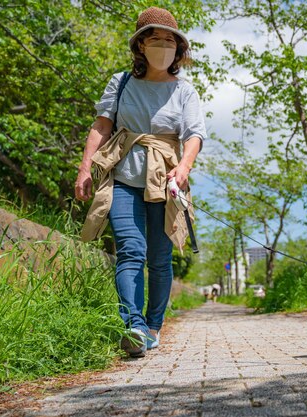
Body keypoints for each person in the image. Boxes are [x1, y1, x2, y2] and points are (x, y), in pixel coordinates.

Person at [74, 7, 207, 358]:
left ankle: (152, 326)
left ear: (179, 49)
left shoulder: (184, 91)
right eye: (155, 38)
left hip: (166, 182)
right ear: (140, 46)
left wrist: (184, 168)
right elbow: (101, 126)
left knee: (160, 259)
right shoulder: (121, 83)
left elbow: (194, 135)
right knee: (130, 251)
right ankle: (132, 324)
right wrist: (85, 168)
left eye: (169, 40)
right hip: (122, 179)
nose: (162, 45)